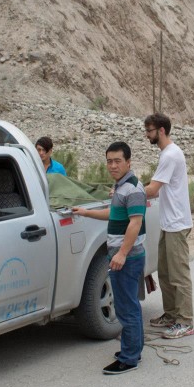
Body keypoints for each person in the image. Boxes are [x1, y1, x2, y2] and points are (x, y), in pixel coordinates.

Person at [72, 142, 147, 374]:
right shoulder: (122, 187)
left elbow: (136, 223)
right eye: (109, 161)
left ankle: (129, 358)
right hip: (123, 255)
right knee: (128, 305)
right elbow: (114, 214)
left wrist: (122, 254)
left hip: (128, 257)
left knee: (126, 308)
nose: (112, 165)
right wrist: (86, 212)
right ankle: (134, 349)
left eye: (117, 161)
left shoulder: (132, 189)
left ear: (128, 162)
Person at [143, 113, 194, 339]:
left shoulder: (170, 155)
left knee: (179, 275)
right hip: (169, 223)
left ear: (161, 130)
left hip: (177, 224)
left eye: (150, 130)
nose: (147, 135)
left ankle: (185, 321)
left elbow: (153, 189)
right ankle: (171, 314)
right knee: (164, 272)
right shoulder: (168, 153)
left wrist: (126, 191)